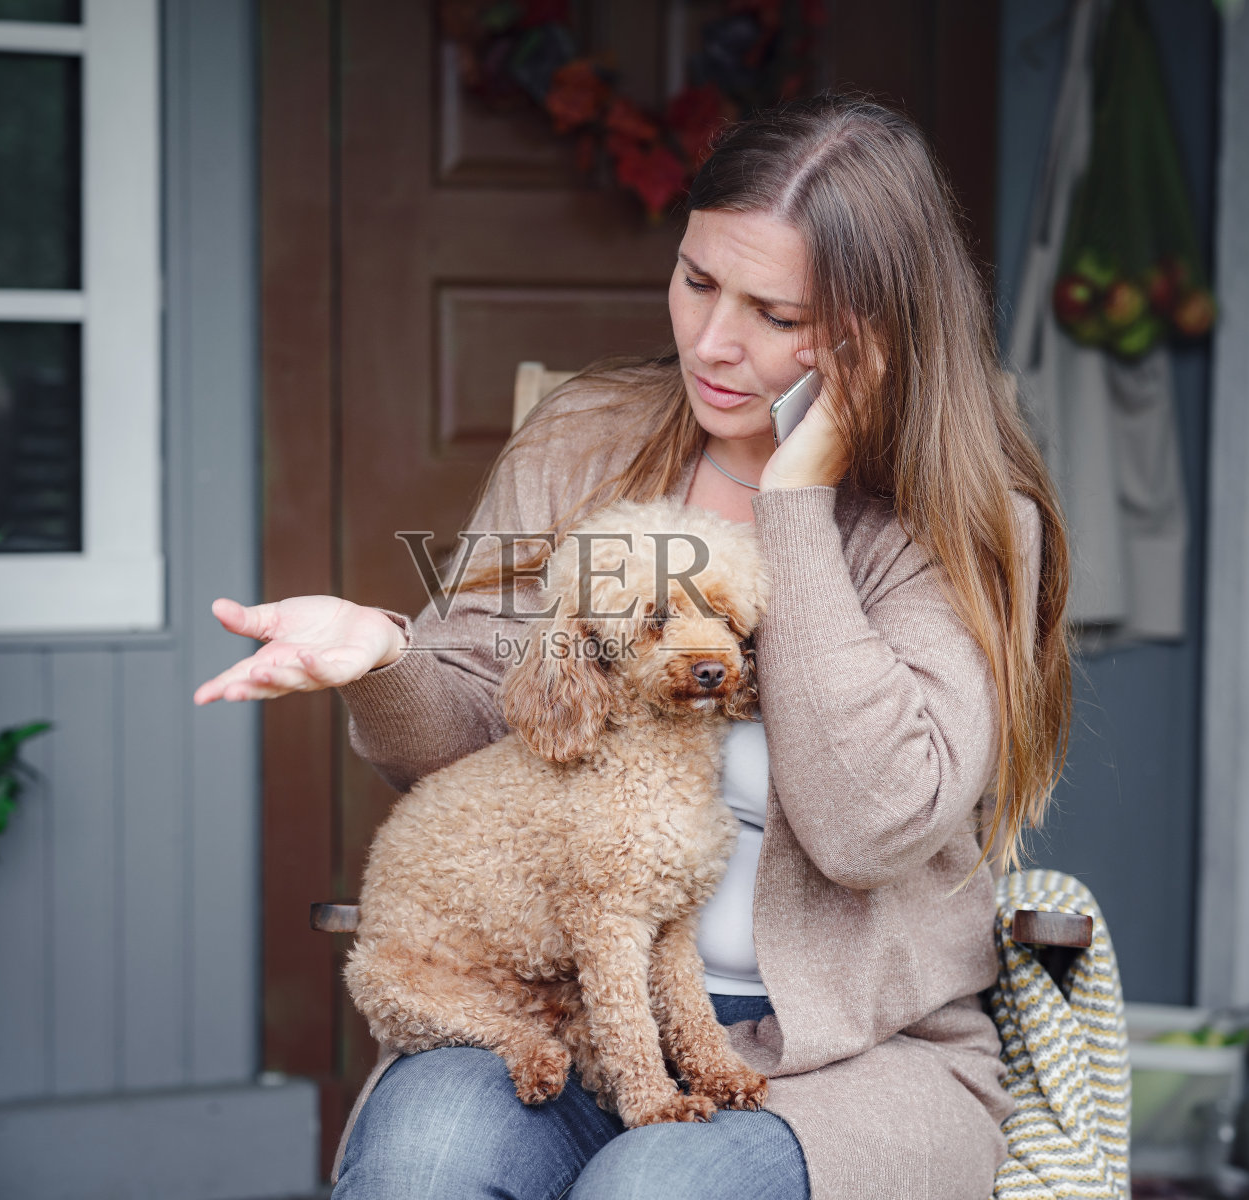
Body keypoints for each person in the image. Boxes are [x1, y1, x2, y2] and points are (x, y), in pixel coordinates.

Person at [195, 93, 1073, 1200]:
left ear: (876, 333)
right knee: (419, 1171)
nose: (712, 342)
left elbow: (869, 824)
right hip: (558, 1005)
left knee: (652, 1189)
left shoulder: (962, 521)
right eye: (699, 280)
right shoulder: (582, 442)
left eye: (776, 313)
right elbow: (477, 725)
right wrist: (380, 654)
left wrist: (796, 498)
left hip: (845, 1060)